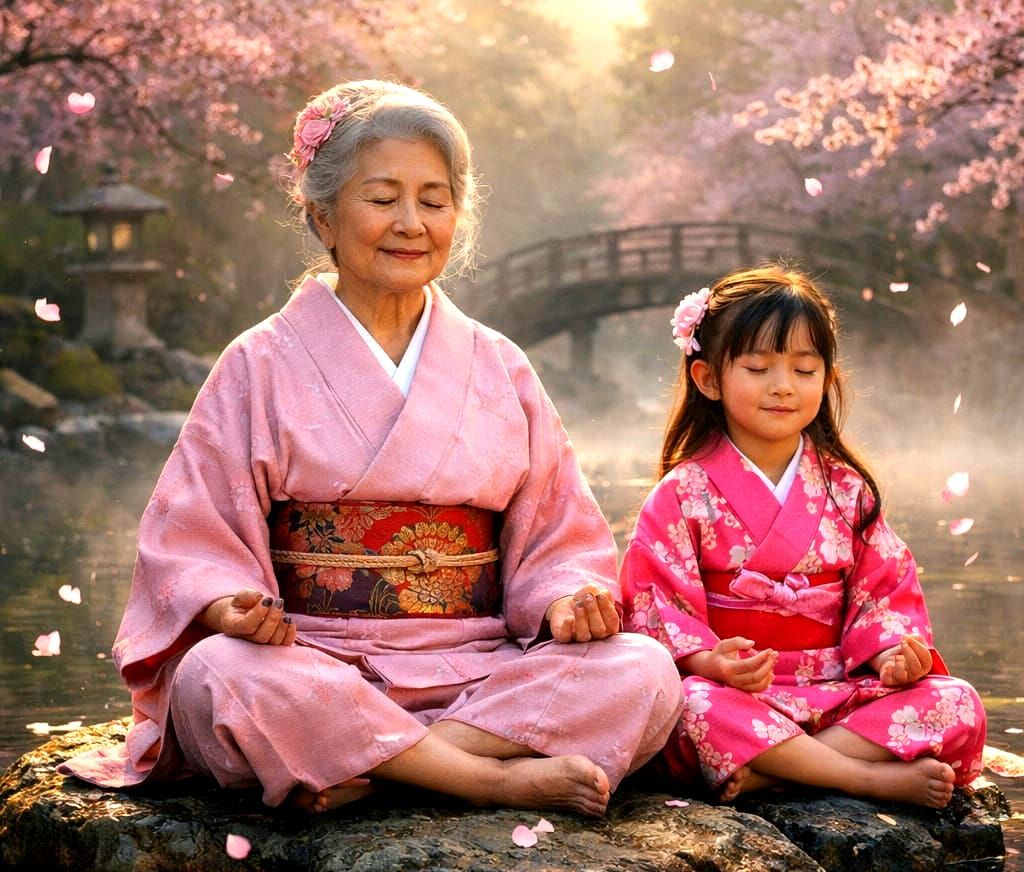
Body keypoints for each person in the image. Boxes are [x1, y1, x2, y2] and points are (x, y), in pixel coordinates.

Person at [60, 79, 681, 816]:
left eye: (434, 199)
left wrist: (564, 599)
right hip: (310, 662)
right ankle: (489, 778)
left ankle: (372, 763)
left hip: (475, 669)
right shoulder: (258, 361)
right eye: (383, 199)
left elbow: (554, 532)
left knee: (642, 671)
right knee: (220, 678)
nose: (411, 223)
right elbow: (191, 535)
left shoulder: (499, 363)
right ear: (322, 215)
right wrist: (228, 606)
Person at [620, 265, 986, 808]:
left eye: (804, 368)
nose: (783, 386)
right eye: (759, 367)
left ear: (826, 378)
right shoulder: (682, 493)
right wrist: (710, 662)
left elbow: (884, 595)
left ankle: (776, 770)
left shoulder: (846, 489)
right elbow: (657, 612)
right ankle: (861, 776)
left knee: (957, 703)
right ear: (708, 379)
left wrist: (892, 655)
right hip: (735, 691)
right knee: (692, 709)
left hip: (834, 689)